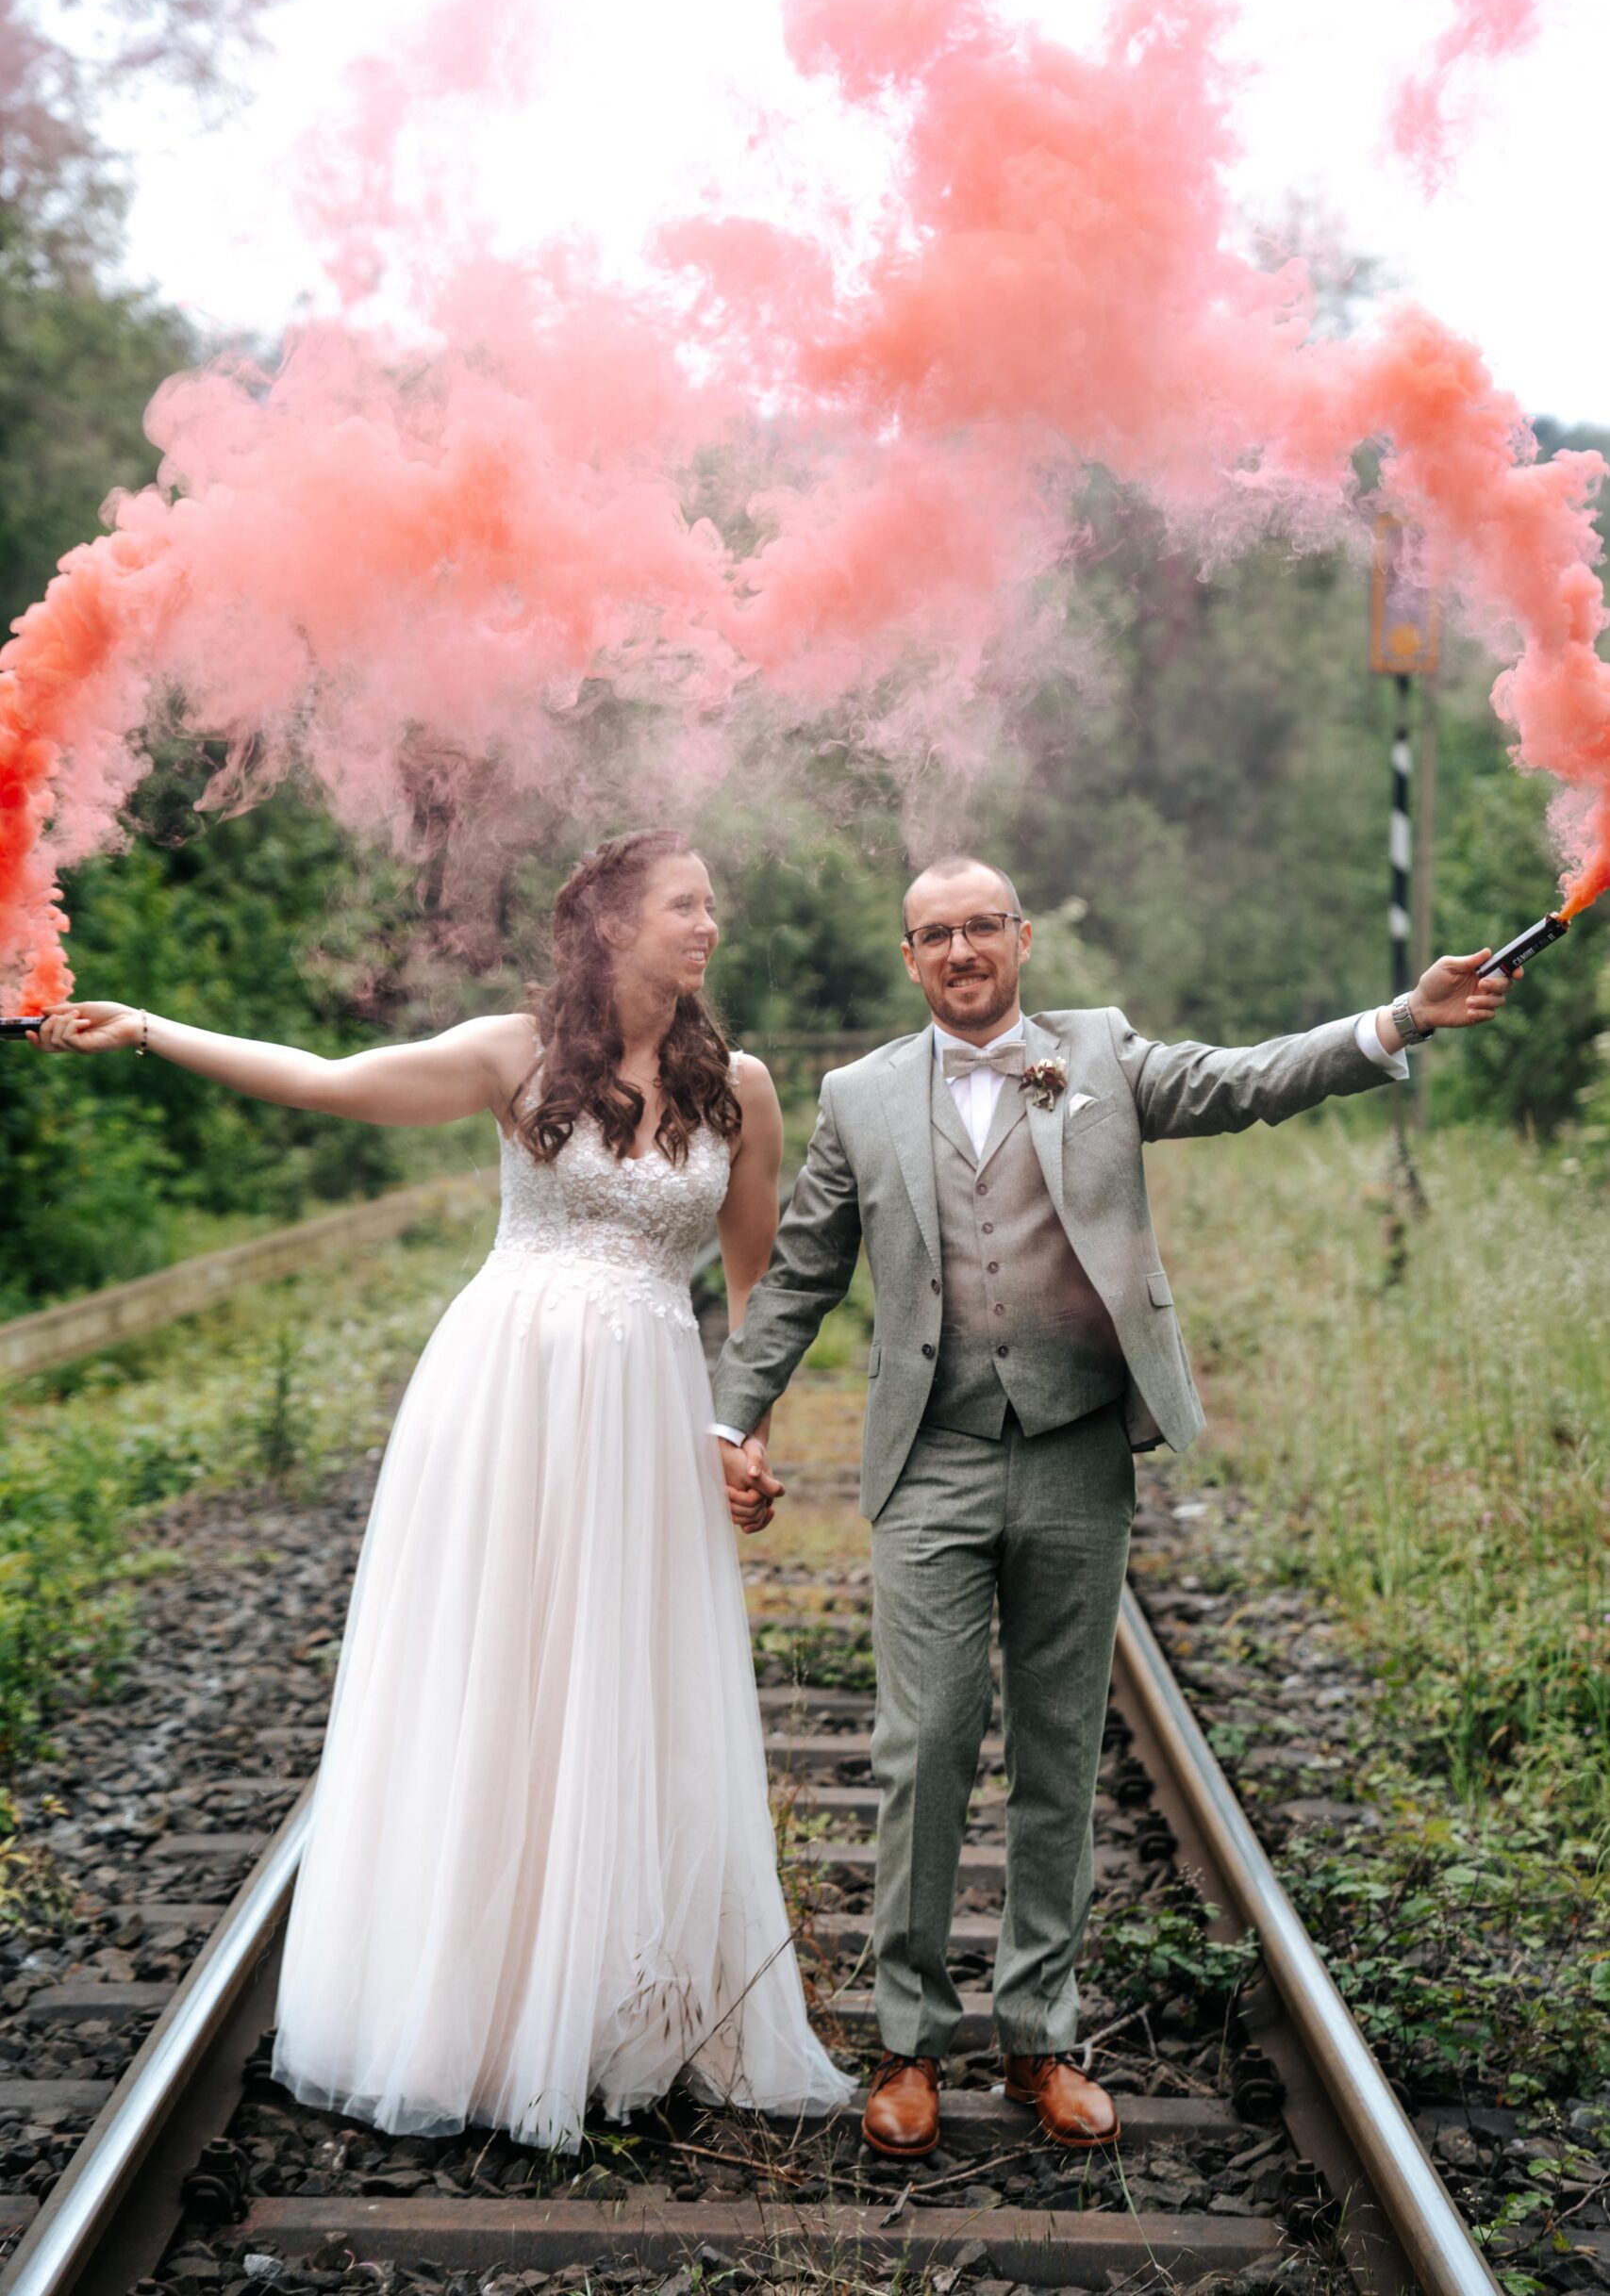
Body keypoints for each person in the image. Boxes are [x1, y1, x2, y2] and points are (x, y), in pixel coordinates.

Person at [28, 828, 853, 2149]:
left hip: (647, 1404)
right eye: (684, 905)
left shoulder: (740, 1086)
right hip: (504, 1395)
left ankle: (619, 2005)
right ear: (612, 925)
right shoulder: (514, 1052)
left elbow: (757, 1289)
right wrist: (150, 1031)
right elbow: (326, 1080)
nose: (710, 925)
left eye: (713, 905)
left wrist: (740, 1433)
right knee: (499, 1670)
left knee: (625, 1677)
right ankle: (476, 2015)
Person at [711, 854, 1517, 2162]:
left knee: (1058, 1750)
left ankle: (1039, 2036)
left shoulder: (1100, 1053)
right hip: (931, 1458)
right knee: (924, 1744)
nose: (962, 951)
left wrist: (1400, 1020)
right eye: (936, 935)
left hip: (1079, 1450)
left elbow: (1251, 1081)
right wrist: (731, 1417)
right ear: (909, 959)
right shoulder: (858, 1096)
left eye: (983, 926)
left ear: (1022, 939)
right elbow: (802, 1271)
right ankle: (909, 2043)